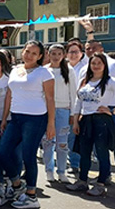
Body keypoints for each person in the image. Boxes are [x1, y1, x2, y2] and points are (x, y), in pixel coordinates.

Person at [0, 41, 55, 209]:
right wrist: (5, 117)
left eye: (34, 53)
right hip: (16, 118)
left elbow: (50, 99)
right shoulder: (15, 70)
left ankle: (31, 195)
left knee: (29, 156)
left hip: (36, 119)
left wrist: (51, 124)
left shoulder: (45, 72)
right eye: (27, 51)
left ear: (40, 56)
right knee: (1, 153)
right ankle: (16, 184)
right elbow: (9, 95)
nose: (29, 55)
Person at [67, 54, 115, 196]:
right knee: (84, 152)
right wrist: (76, 121)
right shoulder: (85, 81)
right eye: (93, 63)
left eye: (99, 63)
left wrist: (111, 110)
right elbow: (78, 102)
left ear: (105, 65)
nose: (96, 66)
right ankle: (82, 181)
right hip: (85, 120)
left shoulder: (110, 82)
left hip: (101, 120)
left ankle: (101, 183)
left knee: (101, 152)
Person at [43, 44, 77, 184]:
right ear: (48, 54)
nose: (56, 57)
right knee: (47, 141)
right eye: (53, 53)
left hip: (64, 109)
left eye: (59, 54)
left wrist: (73, 113)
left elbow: (73, 93)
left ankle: (61, 171)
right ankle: (49, 170)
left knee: (62, 143)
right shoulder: (44, 71)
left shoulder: (69, 71)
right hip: (47, 110)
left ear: (63, 55)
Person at [65, 41, 85, 175]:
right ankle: (71, 162)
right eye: (71, 52)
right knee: (66, 137)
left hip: (82, 108)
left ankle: (75, 164)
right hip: (65, 106)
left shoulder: (85, 67)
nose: (73, 55)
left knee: (75, 136)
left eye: (76, 52)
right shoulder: (63, 68)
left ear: (81, 54)